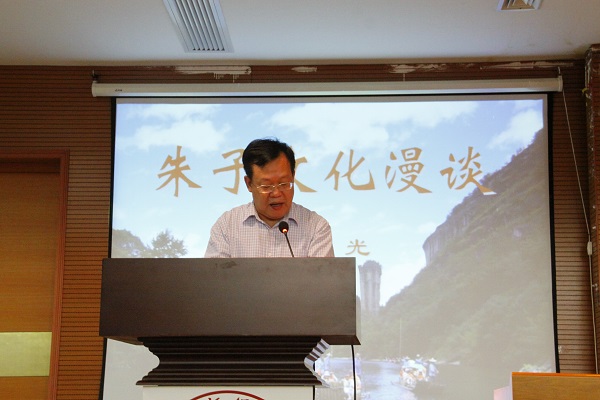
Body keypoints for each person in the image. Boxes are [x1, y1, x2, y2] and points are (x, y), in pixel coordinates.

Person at [204, 137, 334, 258]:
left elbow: (321, 275)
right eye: (266, 186)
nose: (276, 193)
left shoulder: (316, 226)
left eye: (284, 183)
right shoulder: (227, 225)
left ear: (293, 177)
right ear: (249, 184)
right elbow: (214, 274)